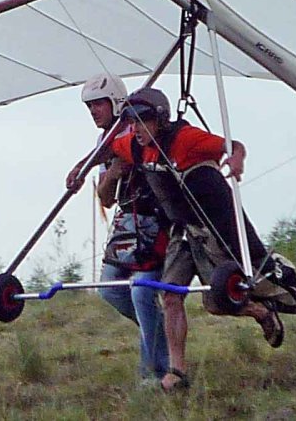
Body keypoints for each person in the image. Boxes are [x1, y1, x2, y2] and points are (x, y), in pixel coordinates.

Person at [107, 87, 296, 393]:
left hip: (212, 229)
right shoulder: (135, 144)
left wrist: (236, 161)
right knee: (170, 295)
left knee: (216, 302)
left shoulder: (187, 140)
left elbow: (233, 146)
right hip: (180, 230)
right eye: (132, 124)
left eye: (143, 121)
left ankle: (262, 312)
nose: (137, 130)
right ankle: (177, 372)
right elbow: (108, 148)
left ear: (159, 119)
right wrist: (83, 167)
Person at [66, 73, 170, 382]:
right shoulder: (104, 142)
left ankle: (155, 374)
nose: (94, 112)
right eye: (89, 107)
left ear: (115, 102)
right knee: (110, 289)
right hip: (129, 223)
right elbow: (106, 198)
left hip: (159, 221)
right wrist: (111, 172)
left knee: (141, 292)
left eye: (98, 104)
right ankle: (160, 332)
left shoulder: (140, 127)